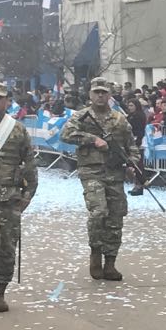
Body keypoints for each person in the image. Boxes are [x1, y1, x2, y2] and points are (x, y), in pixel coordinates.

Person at [61, 77, 140, 279]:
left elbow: (131, 145)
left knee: (116, 216)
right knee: (99, 212)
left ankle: (110, 262)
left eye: (104, 92)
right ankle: (95, 253)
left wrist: (132, 164)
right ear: (90, 94)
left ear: (110, 95)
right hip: (91, 171)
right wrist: (92, 139)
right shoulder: (82, 116)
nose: (100, 95)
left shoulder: (119, 119)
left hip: (114, 172)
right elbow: (66, 134)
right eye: (96, 92)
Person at [0, 83, 38, 313]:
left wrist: (29, 194)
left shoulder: (17, 130)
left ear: (7, 101)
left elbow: (30, 163)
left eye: (0, 98)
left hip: (10, 194)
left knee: (7, 244)